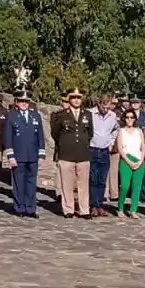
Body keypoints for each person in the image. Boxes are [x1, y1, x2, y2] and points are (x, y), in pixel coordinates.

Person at [51, 88, 92, 218]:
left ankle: (84, 209)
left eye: (78, 98)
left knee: (83, 185)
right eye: (73, 97)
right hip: (66, 154)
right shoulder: (61, 115)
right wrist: (64, 143)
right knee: (67, 184)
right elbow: (55, 133)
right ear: (69, 99)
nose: (76, 100)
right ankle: (69, 209)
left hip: (82, 154)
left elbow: (90, 133)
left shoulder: (87, 114)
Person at [3, 90, 45, 217]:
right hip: (18, 155)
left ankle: (30, 208)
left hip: (32, 155)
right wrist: (10, 156)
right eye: (21, 101)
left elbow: (40, 136)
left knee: (31, 183)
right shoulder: (11, 116)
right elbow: (7, 138)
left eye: (26, 101)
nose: (24, 104)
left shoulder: (35, 116)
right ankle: (19, 207)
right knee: (18, 182)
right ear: (16, 102)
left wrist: (41, 154)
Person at [88, 94, 118, 216]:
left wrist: (111, 141)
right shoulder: (90, 114)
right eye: (103, 107)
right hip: (92, 149)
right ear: (99, 103)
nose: (105, 110)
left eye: (107, 107)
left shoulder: (113, 116)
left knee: (102, 179)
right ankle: (93, 205)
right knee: (93, 179)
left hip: (105, 150)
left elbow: (116, 129)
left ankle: (100, 205)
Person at [115, 108, 145, 218]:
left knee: (136, 187)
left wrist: (141, 160)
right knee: (124, 186)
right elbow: (120, 148)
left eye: (131, 117)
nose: (129, 119)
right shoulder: (121, 131)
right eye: (127, 117)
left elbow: (143, 146)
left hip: (139, 160)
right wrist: (128, 161)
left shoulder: (139, 131)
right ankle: (120, 207)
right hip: (126, 160)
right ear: (124, 118)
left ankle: (133, 209)